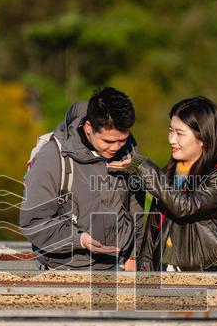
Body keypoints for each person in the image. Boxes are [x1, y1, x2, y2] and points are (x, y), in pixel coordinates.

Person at [107, 96, 217, 272]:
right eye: (170, 131)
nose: (171, 139)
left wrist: (143, 167)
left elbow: (185, 207)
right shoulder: (167, 174)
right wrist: (145, 276)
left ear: (203, 139)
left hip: (206, 273)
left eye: (179, 133)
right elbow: (153, 233)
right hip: (164, 273)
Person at [19, 87, 144, 270]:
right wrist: (79, 240)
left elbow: (136, 203)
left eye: (122, 140)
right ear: (88, 128)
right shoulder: (51, 158)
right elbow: (33, 223)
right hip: (66, 272)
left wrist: (134, 254)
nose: (115, 147)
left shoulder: (130, 149)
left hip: (118, 267)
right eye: (108, 141)